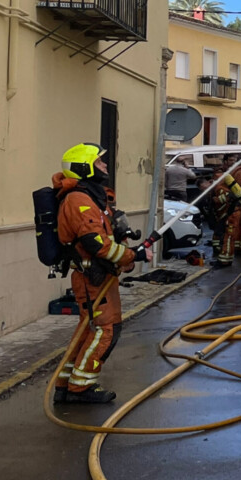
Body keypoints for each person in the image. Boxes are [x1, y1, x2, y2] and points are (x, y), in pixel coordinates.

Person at [51, 143, 141, 404]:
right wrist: (132, 256)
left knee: (89, 330)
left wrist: (125, 250)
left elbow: (107, 234)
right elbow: (96, 243)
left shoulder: (91, 196)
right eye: (99, 162)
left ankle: (66, 384)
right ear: (85, 168)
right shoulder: (78, 199)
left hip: (100, 277)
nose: (104, 166)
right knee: (105, 330)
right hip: (92, 279)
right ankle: (79, 388)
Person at [210, 171, 241, 268]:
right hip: (233, 214)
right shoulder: (224, 187)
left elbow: (225, 200)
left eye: (215, 179)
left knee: (229, 238)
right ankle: (226, 259)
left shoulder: (221, 189)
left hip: (232, 215)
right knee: (229, 237)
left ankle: (224, 261)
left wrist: (216, 200)